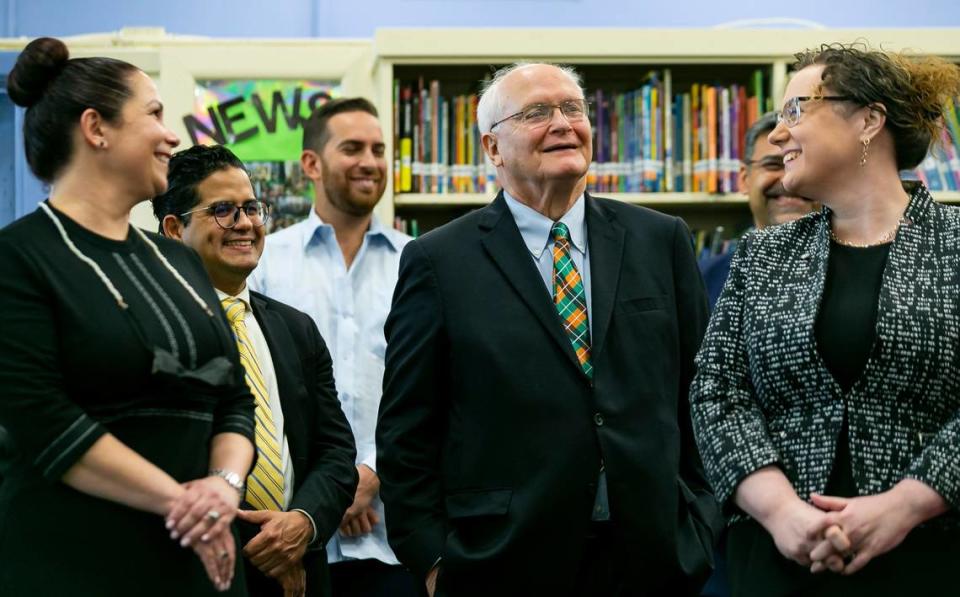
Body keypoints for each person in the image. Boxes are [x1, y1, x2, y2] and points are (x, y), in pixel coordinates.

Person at [376, 62, 720, 597]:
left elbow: (701, 395)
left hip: (654, 555)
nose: (563, 123)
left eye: (573, 109)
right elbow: (407, 432)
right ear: (492, 148)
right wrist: (433, 558)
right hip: (501, 560)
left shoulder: (661, 240)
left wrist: (700, 521)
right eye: (537, 112)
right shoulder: (439, 261)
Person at [690, 43, 960, 597]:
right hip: (775, 556)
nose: (778, 135)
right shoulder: (760, 256)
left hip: (932, 552)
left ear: (868, 120)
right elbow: (716, 393)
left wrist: (905, 504)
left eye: (796, 111)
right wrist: (782, 512)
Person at [0, 37, 256, 595]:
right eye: (156, 114)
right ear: (97, 128)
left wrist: (223, 486)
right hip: (77, 563)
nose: (171, 136)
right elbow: (45, 422)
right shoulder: (17, 259)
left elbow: (234, 399)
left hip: (200, 559)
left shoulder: (181, 262)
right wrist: (183, 501)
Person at [153, 144, 360, 597]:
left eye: (251, 208)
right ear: (174, 228)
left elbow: (336, 450)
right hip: (196, 574)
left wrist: (302, 524)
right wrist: (266, 548)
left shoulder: (294, 328)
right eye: (223, 210)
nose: (245, 224)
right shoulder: (149, 328)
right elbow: (164, 462)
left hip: (302, 572)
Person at [249, 98, 419, 597]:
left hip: (393, 536)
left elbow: (435, 386)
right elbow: (256, 388)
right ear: (311, 164)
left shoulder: (417, 262)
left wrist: (370, 473)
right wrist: (325, 495)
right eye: (352, 148)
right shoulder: (265, 263)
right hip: (287, 537)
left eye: (379, 149)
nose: (370, 161)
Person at [699, 112, 818, 311]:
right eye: (772, 165)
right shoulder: (703, 280)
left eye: (801, 163)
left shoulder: (856, 274)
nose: (787, 180)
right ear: (744, 179)